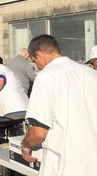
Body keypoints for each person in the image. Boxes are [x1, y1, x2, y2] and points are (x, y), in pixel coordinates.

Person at [21, 34, 97, 175]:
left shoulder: (46, 77)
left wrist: (25, 144)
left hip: (65, 164)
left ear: (39, 53)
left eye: (34, 61)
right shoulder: (91, 73)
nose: (37, 66)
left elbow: (38, 132)